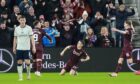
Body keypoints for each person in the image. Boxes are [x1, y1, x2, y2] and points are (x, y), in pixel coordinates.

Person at [13, 15, 36, 81]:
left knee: (27, 62)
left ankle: (28, 75)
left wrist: (33, 47)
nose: (22, 21)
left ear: (25, 20)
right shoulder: (17, 28)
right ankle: (20, 77)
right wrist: (14, 48)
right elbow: (15, 38)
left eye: (23, 20)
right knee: (19, 62)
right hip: (19, 48)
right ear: (19, 21)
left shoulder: (29, 28)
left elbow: (32, 38)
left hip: (27, 48)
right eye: (21, 20)